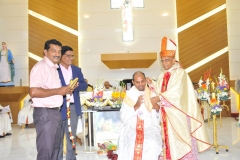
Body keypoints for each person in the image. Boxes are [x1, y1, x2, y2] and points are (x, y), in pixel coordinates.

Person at [146, 37, 211, 160]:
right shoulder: (162, 75)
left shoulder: (180, 73)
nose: (165, 63)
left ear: (173, 59)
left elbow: (177, 93)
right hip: (166, 115)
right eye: (163, 61)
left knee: (181, 141)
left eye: (167, 60)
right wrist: (152, 84)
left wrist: (158, 98)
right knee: (168, 142)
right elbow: (161, 90)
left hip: (178, 115)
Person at [29, 39, 73, 160]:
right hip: (45, 113)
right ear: (45, 52)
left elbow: (53, 90)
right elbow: (33, 92)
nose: (57, 54)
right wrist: (59, 91)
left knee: (55, 150)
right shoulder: (41, 67)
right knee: (46, 152)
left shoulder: (53, 68)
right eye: (54, 51)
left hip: (55, 113)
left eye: (59, 51)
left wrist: (65, 90)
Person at [117, 71, 162, 160]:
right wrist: (136, 106)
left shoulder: (152, 93)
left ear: (145, 80)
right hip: (132, 127)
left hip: (150, 126)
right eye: (137, 82)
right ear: (133, 82)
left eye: (142, 81)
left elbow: (160, 113)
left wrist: (156, 108)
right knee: (131, 142)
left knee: (151, 143)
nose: (140, 84)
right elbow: (123, 116)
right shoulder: (129, 95)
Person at [57, 46, 87, 160]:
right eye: (68, 55)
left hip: (73, 108)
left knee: (71, 137)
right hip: (59, 107)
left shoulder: (76, 70)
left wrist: (78, 85)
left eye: (72, 56)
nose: (70, 58)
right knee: (58, 138)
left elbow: (84, 85)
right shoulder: (55, 69)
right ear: (61, 56)